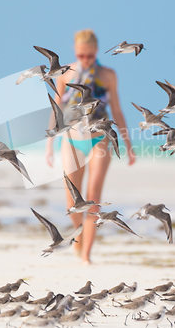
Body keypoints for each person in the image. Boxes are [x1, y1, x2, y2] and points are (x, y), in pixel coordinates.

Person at [45, 29, 136, 264]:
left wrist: (127, 143)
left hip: (100, 139)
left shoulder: (107, 75)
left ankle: (86, 254)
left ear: (96, 52)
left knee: (93, 197)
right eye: (81, 55)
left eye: (89, 56)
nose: (85, 60)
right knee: (73, 203)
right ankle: (81, 238)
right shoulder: (64, 74)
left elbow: (117, 110)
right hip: (72, 140)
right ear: (75, 53)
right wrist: (49, 144)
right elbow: (57, 109)